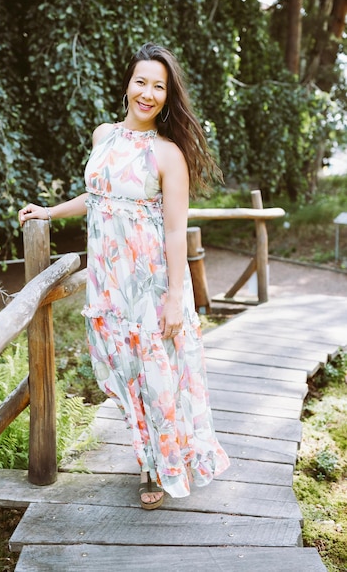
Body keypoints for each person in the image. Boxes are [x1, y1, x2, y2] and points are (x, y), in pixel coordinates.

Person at [19, 42, 230, 510]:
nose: (148, 93)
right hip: (110, 285)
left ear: (167, 96)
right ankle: (148, 454)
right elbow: (97, 196)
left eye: (159, 86)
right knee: (125, 371)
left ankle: (158, 468)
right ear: (127, 85)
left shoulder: (168, 154)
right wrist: (49, 210)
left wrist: (175, 297)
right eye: (142, 82)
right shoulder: (104, 136)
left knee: (158, 375)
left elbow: (176, 230)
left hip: (152, 285)